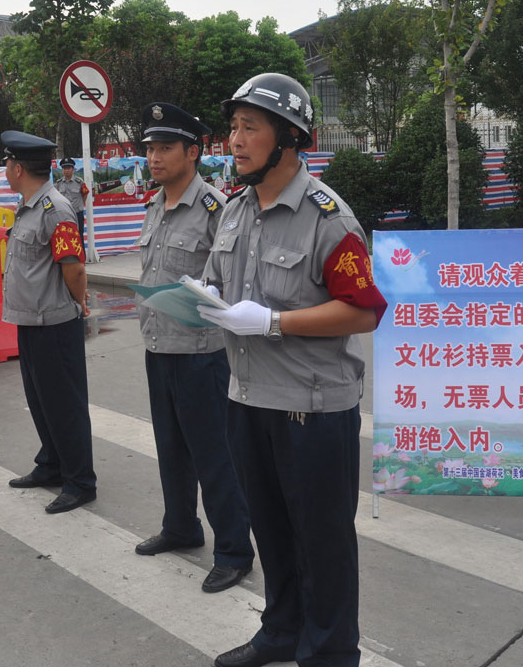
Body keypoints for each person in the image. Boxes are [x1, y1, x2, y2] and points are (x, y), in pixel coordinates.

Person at [198, 73, 387, 667]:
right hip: (248, 398)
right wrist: (202, 298)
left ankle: (330, 652)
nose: (234, 140)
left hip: (312, 408)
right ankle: (281, 630)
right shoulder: (235, 211)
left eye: (250, 127)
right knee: (272, 530)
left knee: (322, 540)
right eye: (233, 127)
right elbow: (215, 281)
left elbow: (363, 311)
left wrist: (274, 322)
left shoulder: (328, 218)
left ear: (289, 138)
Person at [133, 102, 255, 594]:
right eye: (150, 149)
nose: (154, 158)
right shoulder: (154, 206)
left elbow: (236, 280)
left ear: (192, 152)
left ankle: (234, 551)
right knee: (170, 448)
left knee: (214, 455)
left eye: (165, 148)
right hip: (158, 346)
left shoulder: (217, 211)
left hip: (202, 353)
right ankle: (181, 526)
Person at [0, 130, 96, 514]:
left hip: (54, 322)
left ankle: (80, 481)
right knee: (41, 401)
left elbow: (73, 267)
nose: (7, 169)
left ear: (17, 169)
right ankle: (52, 464)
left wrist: (79, 302)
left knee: (64, 405)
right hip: (30, 320)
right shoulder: (28, 206)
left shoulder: (54, 209)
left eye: (8, 163)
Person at [54, 156, 90, 239]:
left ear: (73, 169)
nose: (67, 170)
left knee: (78, 236)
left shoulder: (79, 182)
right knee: (66, 237)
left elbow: (85, 193)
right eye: (64, 168)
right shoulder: (58, 184)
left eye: (68, 168)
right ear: (62, 170)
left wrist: (80, 204)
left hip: (77, 214)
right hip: (64, 215)